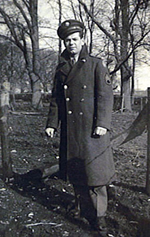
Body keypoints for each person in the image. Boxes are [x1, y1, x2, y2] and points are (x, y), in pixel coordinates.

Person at [45, 19, 115, 236]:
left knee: (96, 175)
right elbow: (57, 99)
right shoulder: (61, 68)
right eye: (67, 40)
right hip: (71, 130)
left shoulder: (95, 64)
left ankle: (99, 215)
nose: (71, 43)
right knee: (76, 172)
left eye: (75, 39)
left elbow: (105, 97)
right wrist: (52, 124)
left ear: (82, 40)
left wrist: (102, 124)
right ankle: (81, 207)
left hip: (92, 130)